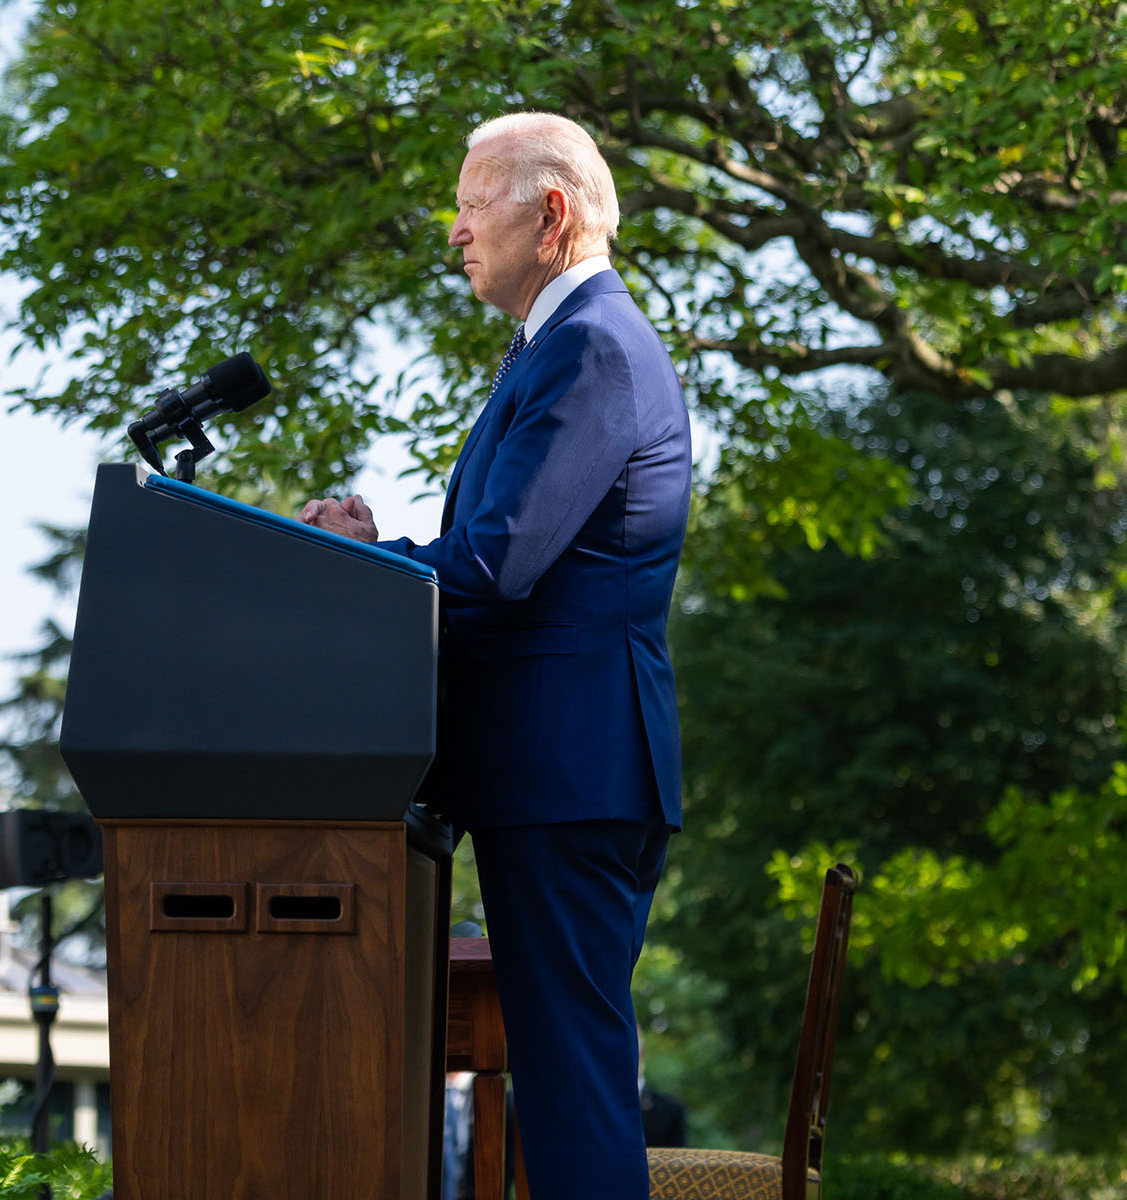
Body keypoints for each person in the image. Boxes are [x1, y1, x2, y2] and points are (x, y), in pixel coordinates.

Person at [301, 111, 691, 1199]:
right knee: (566, 1086)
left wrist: (355, 572)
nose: (457, 233)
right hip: (551, 776)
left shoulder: (595, 347)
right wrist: (382, 561)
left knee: (573, 1090)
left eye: (474, 205)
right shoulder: (556, 347)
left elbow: (497, 563)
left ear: (550, 213)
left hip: (571, 773)